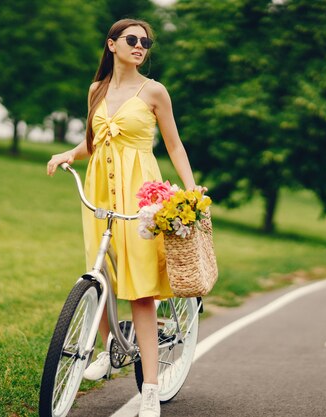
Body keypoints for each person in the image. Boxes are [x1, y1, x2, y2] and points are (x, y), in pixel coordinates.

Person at [46, 18, 197, 417]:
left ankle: (149, 388)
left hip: (140, 195)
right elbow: (95, 140)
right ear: (112, 44)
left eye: (146, 41)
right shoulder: (96, 89)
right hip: (98, 192)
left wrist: (191, 189)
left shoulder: (154, 91)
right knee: (102, 277)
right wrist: (68, 153)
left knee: (141, 291)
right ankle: (111, 346)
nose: (140, 45)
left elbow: (174, 144)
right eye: (132, 39)